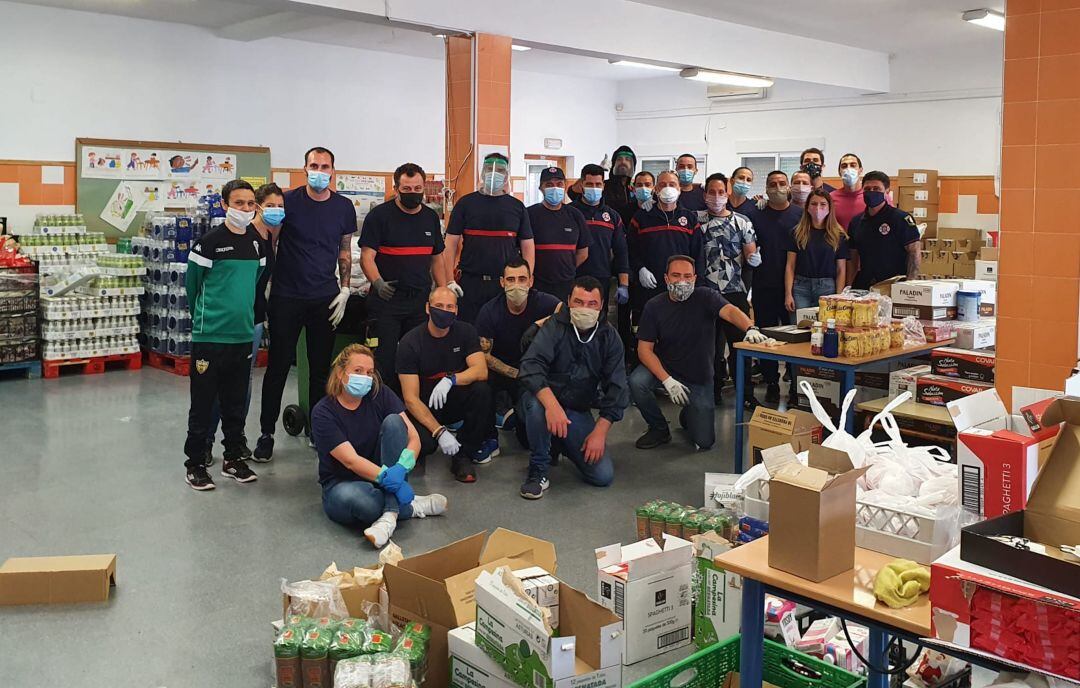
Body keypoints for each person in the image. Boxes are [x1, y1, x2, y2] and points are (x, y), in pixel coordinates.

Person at [256, 146, 356, 460]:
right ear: (305, 168)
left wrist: (345, 288)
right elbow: (269, 238)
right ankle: (266, 433)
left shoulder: (343, 207)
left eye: (325, 166)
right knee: (278, 367)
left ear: (333, 171)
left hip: (324, 298)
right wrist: (265, 284)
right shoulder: (289, 202)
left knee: (319, 370)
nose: (319, 170)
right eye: (314, 165)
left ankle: (318, 429)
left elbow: (344, 249)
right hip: (286, 296)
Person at [312, 344, 447, 548]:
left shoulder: (380, 394)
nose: (365, 377)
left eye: (369, 372)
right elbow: (351, 460)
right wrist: (389, 479)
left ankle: (390, 516)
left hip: (381, 477)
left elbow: (414, 438)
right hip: (341, 484)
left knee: (394, 422)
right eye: (358, 371)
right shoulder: (323, 412)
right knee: (366, 504)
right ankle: (411, 508)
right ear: (340, 373)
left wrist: (401, 468)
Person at [631, 256, 765, 451]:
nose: (682, 281)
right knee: (637, 382)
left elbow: (730, 311)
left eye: (687, 276)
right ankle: (659, 428)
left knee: (704, 442)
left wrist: (750, 328)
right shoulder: (654, 306)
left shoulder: (706, 296)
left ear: (694, 278)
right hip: (666, 369)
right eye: (676, 276)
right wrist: (667, 380)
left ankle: (689, 413)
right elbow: (644, 350)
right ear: (666, 278)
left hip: (698, 377)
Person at [183, 179, 266, 491]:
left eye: (249, 204)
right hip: (210, 336)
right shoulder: (208, 243)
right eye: (238, 203)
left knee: (235, 402)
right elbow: (193, 287)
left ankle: (233, 459)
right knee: (203, 403)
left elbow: (255, 280)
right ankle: (194, 464)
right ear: (224, 205)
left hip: (242, 335)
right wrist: (206, 320)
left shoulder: (256, 244)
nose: (245, 209)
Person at [517, 276, 628, 499]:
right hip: (544, 401)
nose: (584, 309)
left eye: (592, 304)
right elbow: (530, 366)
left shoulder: (609, 337)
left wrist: (599, 432)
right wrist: (552, 406)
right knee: (536, 406)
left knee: (602, 475)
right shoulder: (554, 326)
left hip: (577, 408)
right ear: (568, 301)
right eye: (578, 302)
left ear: (602, 306)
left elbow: (618, 389)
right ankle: (538, 470)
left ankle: (560, 442)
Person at [202, 182, 281, 467]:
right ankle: (207, 440)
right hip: (225, 321)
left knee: (242, 384)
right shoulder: (235, 235)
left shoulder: (270, 236)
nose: (275, 211)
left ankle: (235, 441)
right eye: (268, 205)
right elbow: (198, 283)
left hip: (254, 318)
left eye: (279, 206)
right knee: (216, 381)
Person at [360, 163, 447, 389]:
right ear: (396, 188)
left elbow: (437, 258)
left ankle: (412, 410)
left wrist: (444, 289)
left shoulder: (430, 218)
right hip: (387, 302)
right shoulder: (379, 216)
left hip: (419, 302)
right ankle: (381, 409)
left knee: (417, 358)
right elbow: (367, 257)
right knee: (384, 361)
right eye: (406, 189)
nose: (413, 193)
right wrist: (377, 283)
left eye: (417, 188)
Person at [396, 287, 496, 483]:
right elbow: (410, 398)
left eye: (450, 307)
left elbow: (480, 370)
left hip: (454, 398)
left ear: (456, 310)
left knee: (482, 391)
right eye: (439, 306)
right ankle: (431, 438)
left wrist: (451, 379)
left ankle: (464, 454)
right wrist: (439, 431)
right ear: (428, 308)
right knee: (426, 445)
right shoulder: (410, 342)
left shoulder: (466, 332)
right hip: (425, 404)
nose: (444, 311)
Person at [475, 259, 561, 443]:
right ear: (502, 282)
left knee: (526, 441)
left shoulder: (544, 302)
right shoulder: (489, 311)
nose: (516, 285)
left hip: (533, 371)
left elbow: (567, 312)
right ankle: (489, 438)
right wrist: (517, 374)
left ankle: (519, 418)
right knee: (481, 387)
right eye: (511, 279)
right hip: (501, 371)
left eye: (522, 279)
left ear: (531, 281)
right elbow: (485, 355)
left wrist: (538, 324)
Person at [444, 153, 534, 323]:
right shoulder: (465, 204)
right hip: (470, 282)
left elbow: (528, 247)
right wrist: (449, 280)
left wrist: (525, 280)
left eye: (500, 170)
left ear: (507, 174)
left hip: (505, 283)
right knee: (469, 331)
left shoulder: (517, 207)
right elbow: (450, 244)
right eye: (489, 169)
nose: (494, 173)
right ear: (482, 172)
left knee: (503, 330)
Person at [699, 173, 759, 404]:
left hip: (735, 290)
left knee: (741, 346)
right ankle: (712, 393)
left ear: (728, 193)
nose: (716, 197)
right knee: (710, 349)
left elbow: (750, 252)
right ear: (705, 195)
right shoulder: (696, 221)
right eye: (711, 192)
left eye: (721, 192)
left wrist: (754, 259)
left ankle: (746, 395)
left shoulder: (742, 222)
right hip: (705, 292)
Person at [753, 171, 803, 405]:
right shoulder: (757, 215)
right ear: (766, 187)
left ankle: (795, 384)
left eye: (782, 184)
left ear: (789, 187)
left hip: (795, 288)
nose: (777, 188)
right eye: (772, 184)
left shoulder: (801, 215)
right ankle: (771, 382)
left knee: (795, 339)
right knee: (767, 338)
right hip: (763, 285)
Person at [628, 170, 704, 309]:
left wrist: (696, 285)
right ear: (656, 189)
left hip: (682, 286)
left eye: (672, 184)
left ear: (679, 189)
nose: (667, 188)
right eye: (662, 185)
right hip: (650, 286)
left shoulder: (690, 219)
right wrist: (640, 269)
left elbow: (698, 254)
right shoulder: (641, 217)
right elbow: (631, 249)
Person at [846, 171, 921, 289]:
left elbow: (914, 252)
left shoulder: (900, 218)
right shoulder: (856, 222)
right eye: (867, 189)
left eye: (876, 188)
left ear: (887, 191)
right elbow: (853, 258)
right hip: (864, 284)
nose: (871, 192)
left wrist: (910, 284)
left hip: (894, 283)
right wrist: (848, 285)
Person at [573, 163, 630, 312]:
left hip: (602, 278)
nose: (594, 188)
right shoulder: (569, 212)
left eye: (598, 184)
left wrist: (624, 285)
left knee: (598, 323)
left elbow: (621, 251)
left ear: (603, 186)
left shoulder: (612, 216)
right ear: (581, 185)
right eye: (589, 184)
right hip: (573, 278)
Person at [527, 166, 589, 301]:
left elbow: (583, 253)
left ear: (565, 186)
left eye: (559, 184)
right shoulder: (529, 214)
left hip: (566, 285)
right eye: (549, 184)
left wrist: (567, 268)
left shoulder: (575, 215)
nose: (555, 188)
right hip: (537, 285)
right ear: (540, 188)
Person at [785, 189, 849, 313]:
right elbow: (790, 266)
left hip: (827, 288)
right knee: (799, 327)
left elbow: (841, 270)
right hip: (801, 287)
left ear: (830, 208)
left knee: (825, 326)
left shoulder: (838, 235)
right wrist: (788, 294)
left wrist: (839, 296)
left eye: (823, 204)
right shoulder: (796, 233)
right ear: (807, 207)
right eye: (813, 204)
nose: (818, 208)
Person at [830, 153, 867, 230]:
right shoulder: (830, 198)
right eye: (844, 166)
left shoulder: (871, 195)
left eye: (853, 165)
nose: (848, 169)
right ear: (839, 172)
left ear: (860, 170)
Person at [604, 145, 638, 226]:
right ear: (613, 164)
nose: (623, 162)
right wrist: (597, 172)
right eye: (619, 159)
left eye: (628, 159)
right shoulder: (604, 186)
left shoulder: (636, 188)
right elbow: (573, 192)